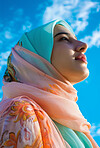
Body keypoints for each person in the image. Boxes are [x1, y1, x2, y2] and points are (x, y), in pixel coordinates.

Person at [0, 19, 99, 148]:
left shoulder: (77, 127)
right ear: (34, 57)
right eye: (64, 39)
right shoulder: (21, 111)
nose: (83, 45)